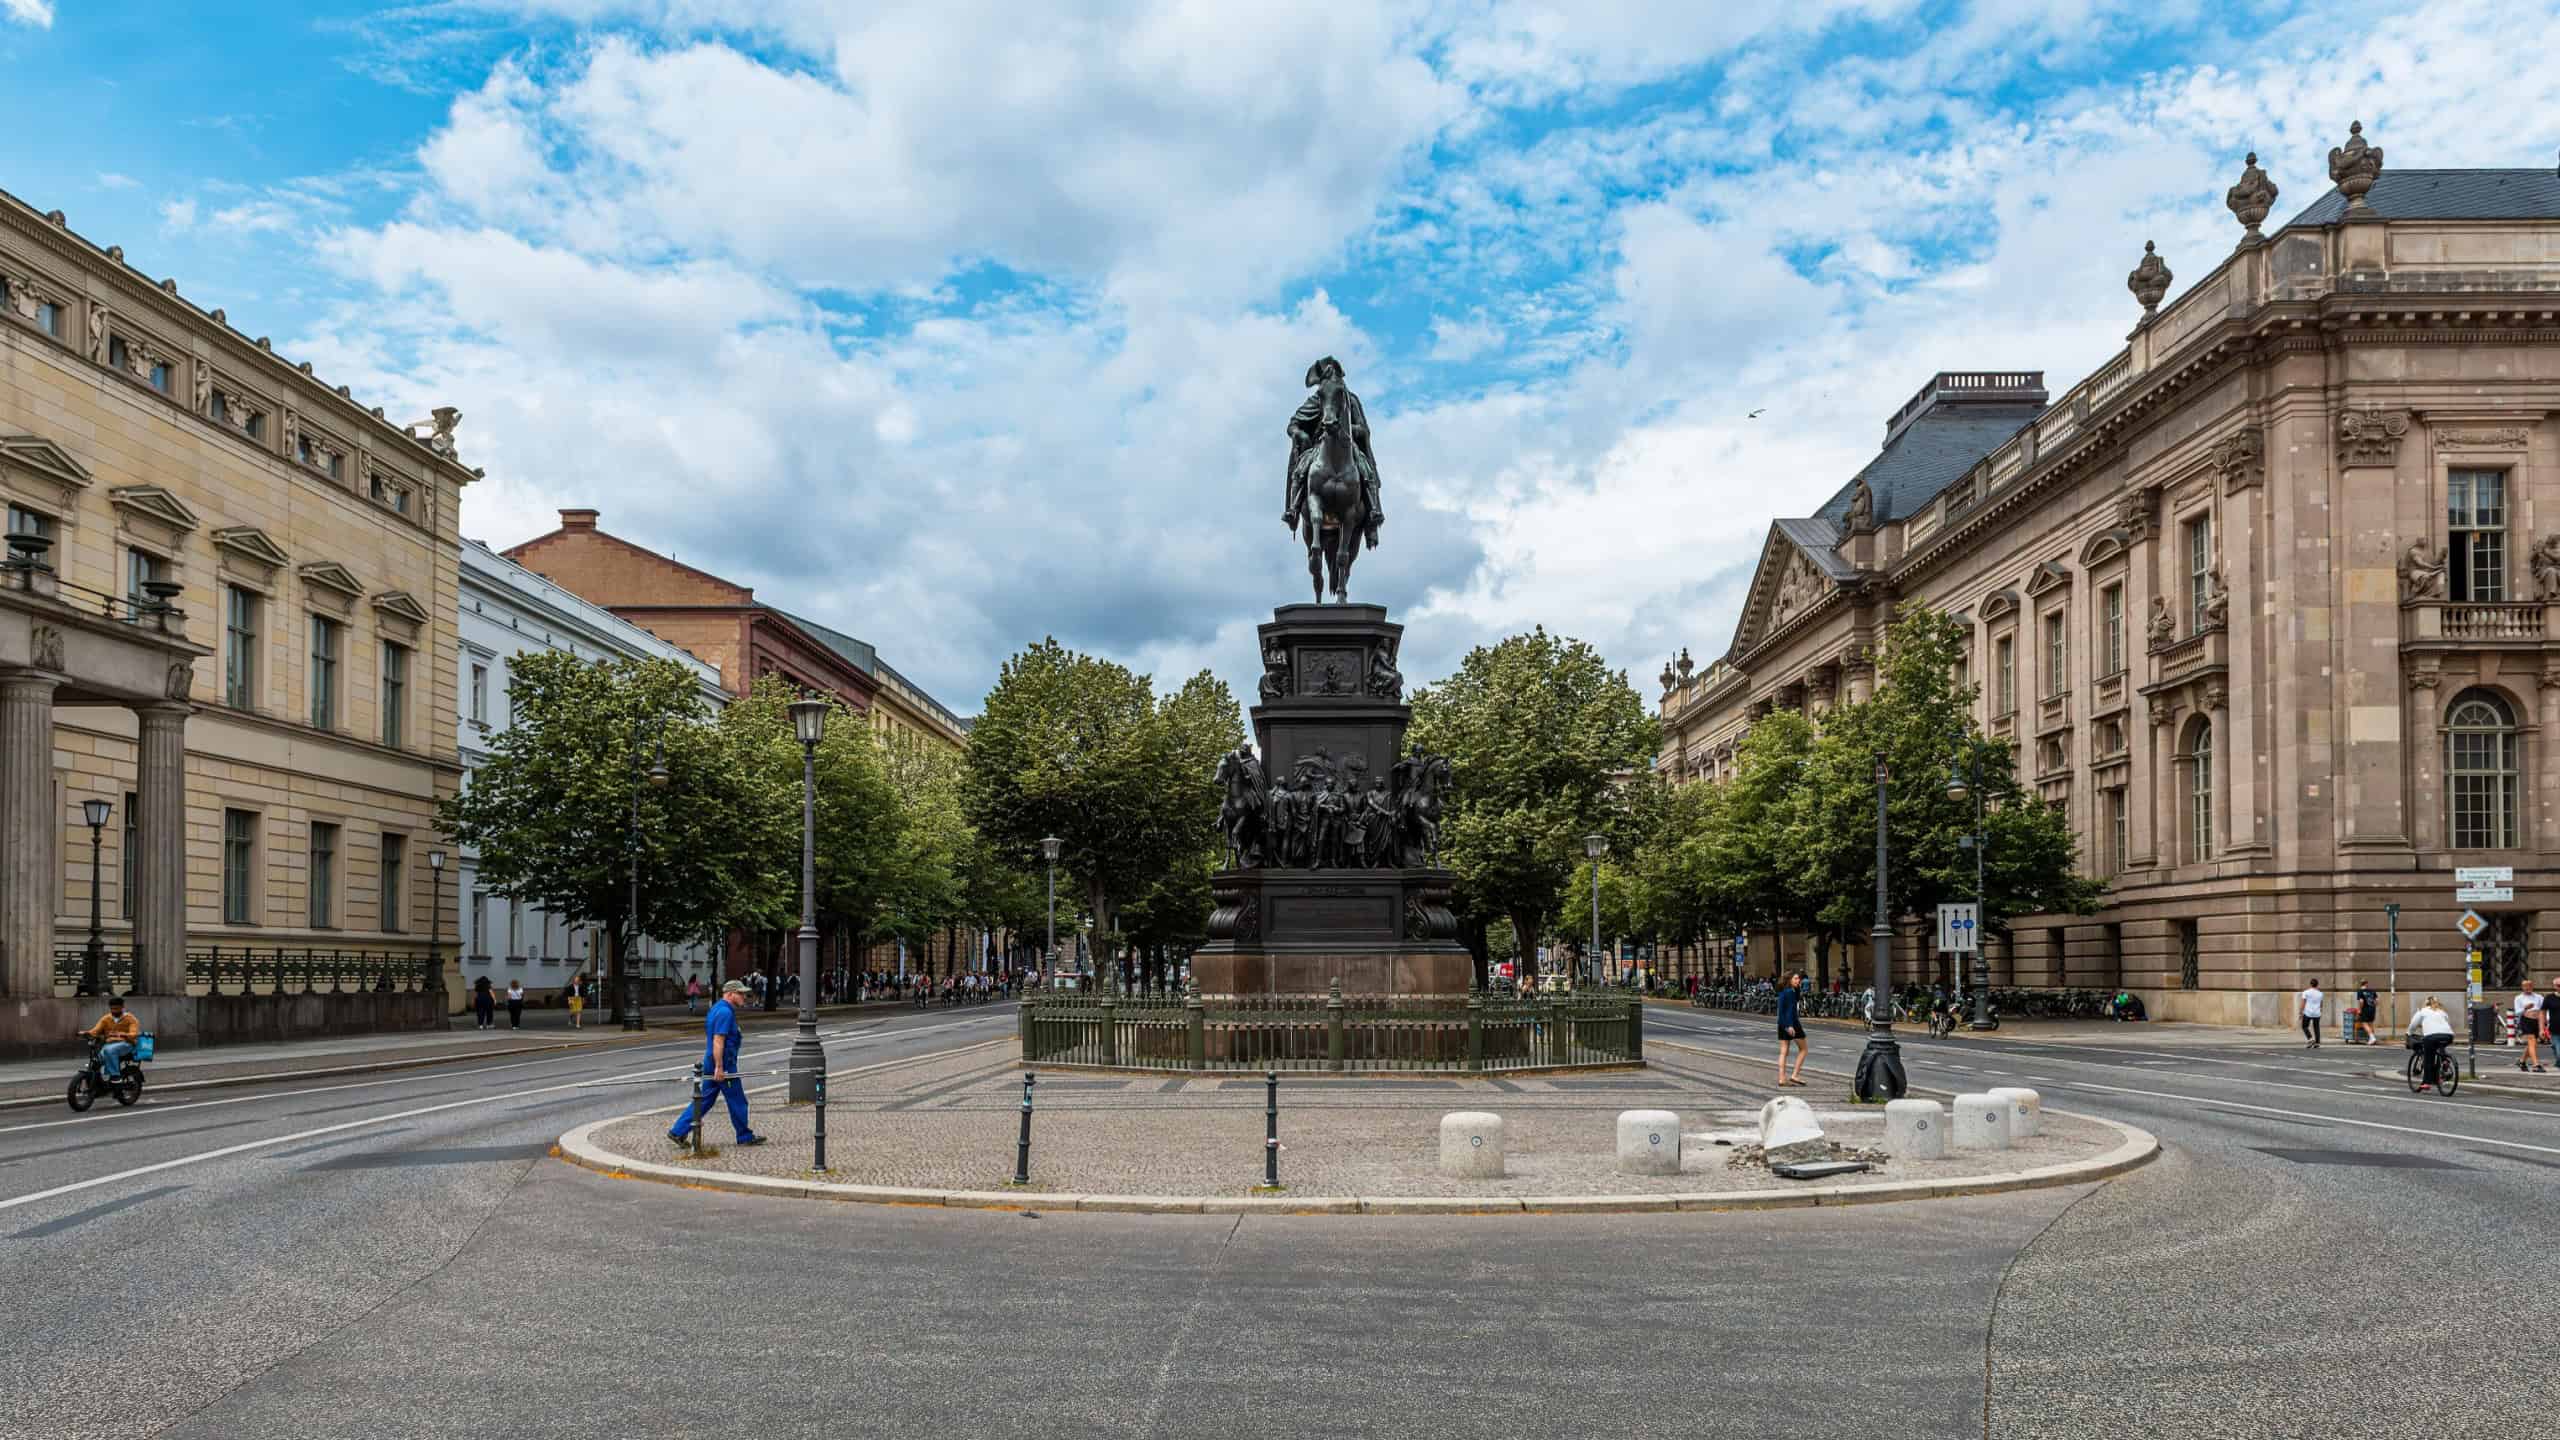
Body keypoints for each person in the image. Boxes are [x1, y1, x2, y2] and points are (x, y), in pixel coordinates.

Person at [668, 979, 765, 1149]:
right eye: (740, 994)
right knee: (737, 1100)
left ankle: (678, 1131)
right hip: (723, 1064)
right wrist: (719, 1067)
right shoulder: (725, 1013)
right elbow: (718, 1041)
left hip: (713, 1061)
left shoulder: (717, 1009)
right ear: (730, 994)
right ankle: (744, 1136)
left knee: (704, 1100)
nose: (744, 997)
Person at [82, 995, 140, 1080]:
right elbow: (95, 1030)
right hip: (109, 1044)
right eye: (112, 1009)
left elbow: (134, 1033)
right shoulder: (106, 1019)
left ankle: (115, 1076)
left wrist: (124, 1035)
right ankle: (96, 1083)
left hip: (126, 1043)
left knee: (110, 1050)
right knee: (96, 1060)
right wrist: (86, 1033)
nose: (114, 1011)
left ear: (122, 1007)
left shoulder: (131, 1019)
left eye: (116, 1009)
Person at [2411, 996, 2456, 1086]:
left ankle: (2427, 1082)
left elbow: (2413, 1025)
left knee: (2429, 1057)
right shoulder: (2442, 1012)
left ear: (2426, 1004)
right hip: (2448, 1036)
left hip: (2431, 1036)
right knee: (2440, 1045)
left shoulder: (2422, 1011)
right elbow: (2447, 1023)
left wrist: (2409, 1033)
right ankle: (2444, 1061)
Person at [1776, 971, 1808, 1087]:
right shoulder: (1790, 992)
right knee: (1804, 1049)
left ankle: (1782, 1078)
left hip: (1782, 1023)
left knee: (1783, 1052)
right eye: (1795, 979)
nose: (1798, 980)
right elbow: (1790, 1010)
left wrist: (1785, 1025)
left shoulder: (1784, 991)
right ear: (1789, 980)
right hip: (1792, 1023)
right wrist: (1789, 1026)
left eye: (1798, 979)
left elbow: (1781, 1011)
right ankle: (1795, 1075)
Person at [2514, 979, 2546, 1073]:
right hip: (2526, 1020)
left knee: (2533, 1043)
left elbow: (2543, 1010)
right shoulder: (2519, 998)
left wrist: (2546, 1021)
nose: (2527, 987)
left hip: (2537, 1021)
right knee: (2532, 1041)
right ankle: (2536, 1065)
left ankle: (2522, 1061)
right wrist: (2525, 1008)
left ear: (2532, 986)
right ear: (2522, 987)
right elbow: (2517, 1012)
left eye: (2529, 985)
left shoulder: (2539, 997)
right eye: (2525, 986)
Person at [2297, 977, 2324, 1048]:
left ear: (2310, 984)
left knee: (2304, 1026)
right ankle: (2317, 1043)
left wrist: (2300, 1012)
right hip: (2317, 1013)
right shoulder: (2320, 993)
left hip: (2308, 1012)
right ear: (2317, 985)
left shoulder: (2306, 992)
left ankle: (2310, 1039)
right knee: (2316, 1027)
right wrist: (2321, 1011)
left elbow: (2303, 1003)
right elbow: (2321, 1004)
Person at [2353, 979, 2379, 1044]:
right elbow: (2377, 1001)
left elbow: (2361, 1001)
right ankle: (2372, 1039)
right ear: (2366, 984)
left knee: (2364, 1023)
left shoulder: (2360, 991)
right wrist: (2373, 1006)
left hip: (2365, 1009)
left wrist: (2359, 1009)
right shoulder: (2372, 991)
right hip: (2372, 1009)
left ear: (2360, 984)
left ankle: (2372, 1037)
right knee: (2370, 1023)